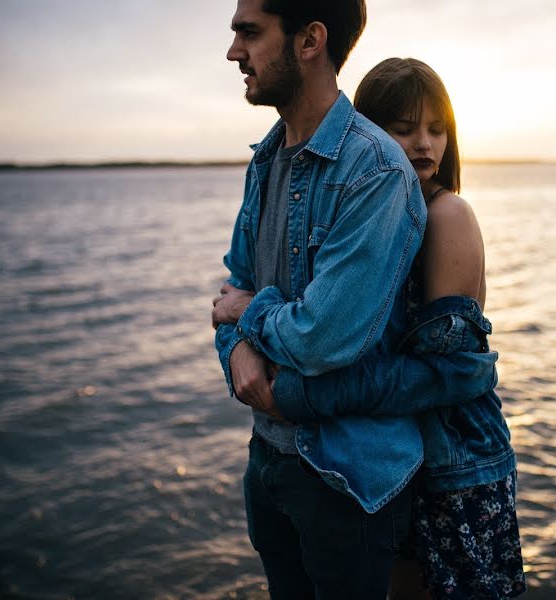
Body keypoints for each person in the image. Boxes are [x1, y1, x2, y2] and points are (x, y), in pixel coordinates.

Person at [243, 58, 527, 599]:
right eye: (404, 129)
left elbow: (450, 373)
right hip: (396, 450)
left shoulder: (448, 216)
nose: (424, 144)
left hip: (454, 461)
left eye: (436, 128)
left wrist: (296, 390)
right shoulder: (378, 209)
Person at [210, 2, 462, 599]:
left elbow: (323, 338)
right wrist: (237, 353)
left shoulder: (375, 170)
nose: (233, 52)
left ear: (309, 41)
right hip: (267, 461)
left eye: (249, 32)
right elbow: (229, 286)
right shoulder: (267, 158)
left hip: (345, 483)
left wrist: (247, 317)